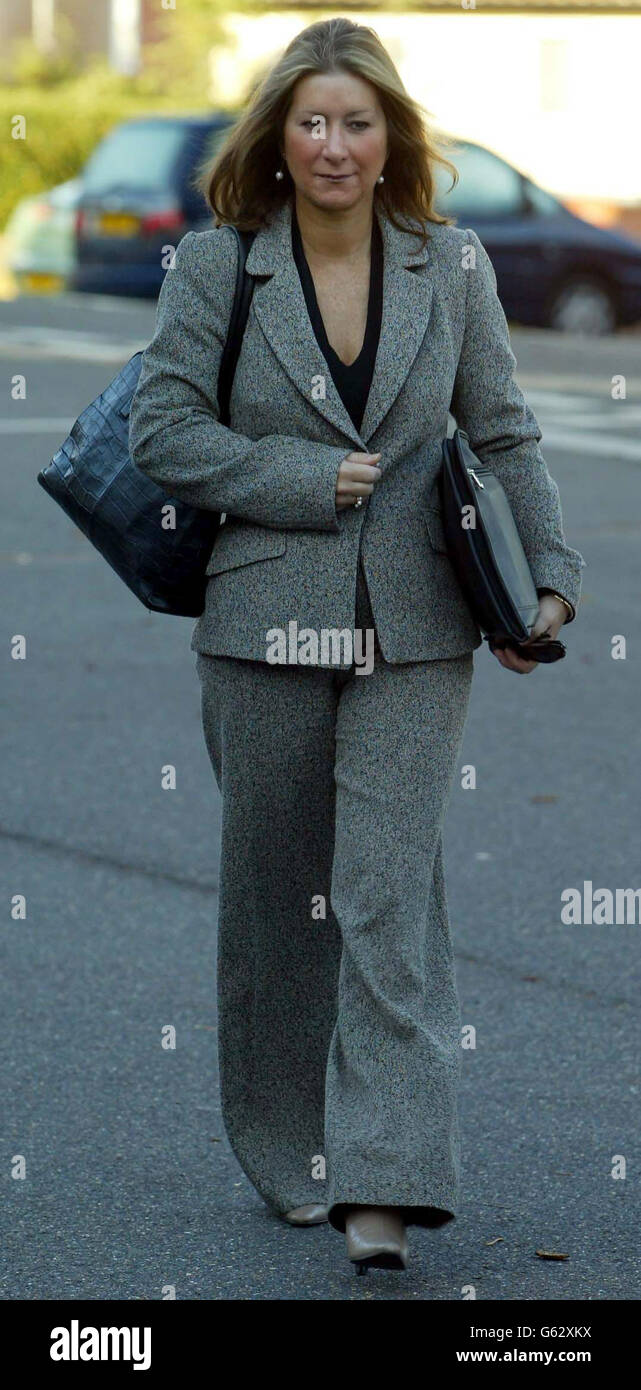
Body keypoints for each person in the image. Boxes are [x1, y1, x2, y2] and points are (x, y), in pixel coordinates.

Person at [129, 16, 586, 1274]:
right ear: (279, 136)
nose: (335, 145)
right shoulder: (223, 266)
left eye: (359, 121)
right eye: (313, 121)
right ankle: (296, 1155)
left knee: (386, 894)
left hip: (419, 623)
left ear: (394, 139)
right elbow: (162, 427)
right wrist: (295, 476)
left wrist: (546, 575)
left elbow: (501, 430)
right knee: (284, 903)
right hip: (262, 617)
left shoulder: (452, 263)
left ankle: (381, 1184)